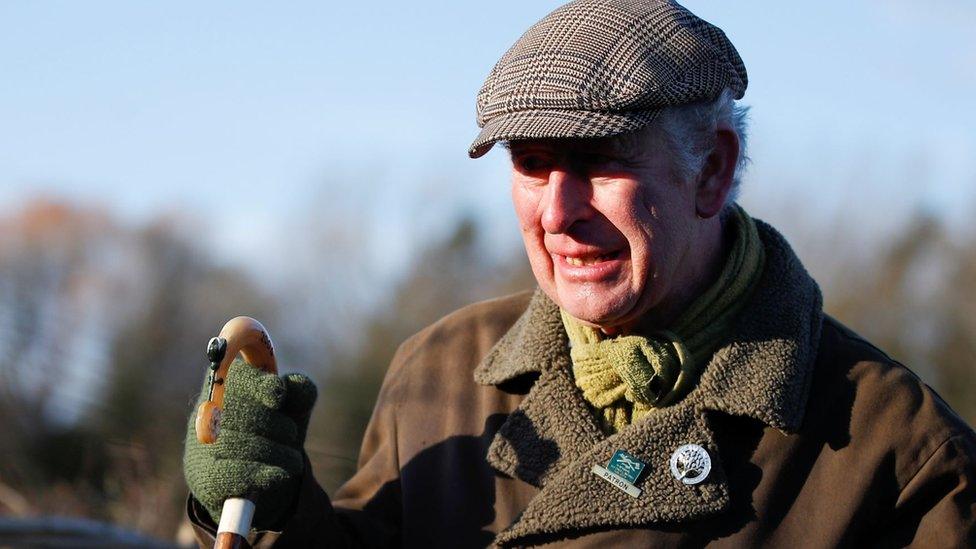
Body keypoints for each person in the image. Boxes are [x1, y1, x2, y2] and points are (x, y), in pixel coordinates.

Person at [182, 0, 976, 546]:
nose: (556, 211)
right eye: (532, 165)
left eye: (598, 163)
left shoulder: (898, 451)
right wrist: (275, 509)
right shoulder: (441, 372)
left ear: (711, 169)